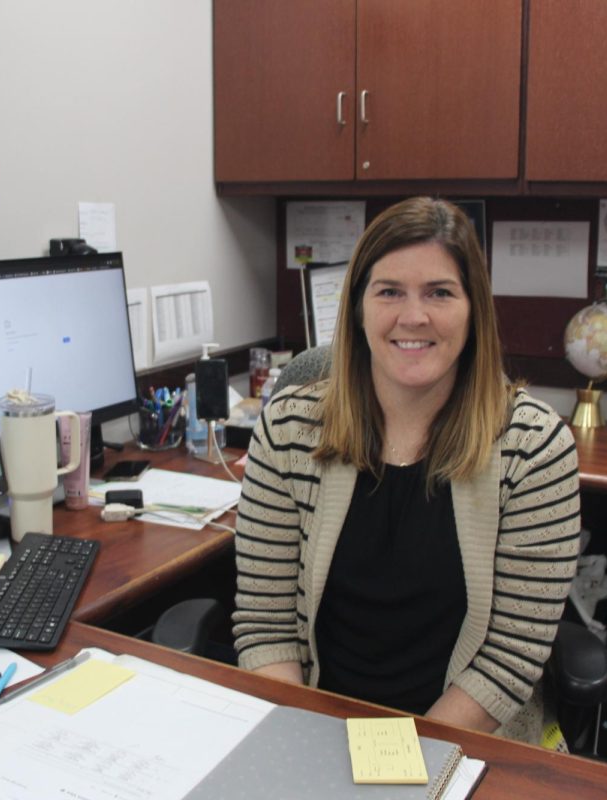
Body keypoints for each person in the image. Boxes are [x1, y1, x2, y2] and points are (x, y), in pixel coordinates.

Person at [232, 197, 580, 743]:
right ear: (358, 307)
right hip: (313, 730)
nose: (412, 317)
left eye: (439, 292)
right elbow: (265, 627)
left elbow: (510, 657)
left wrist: (397, 768)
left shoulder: (532, 447)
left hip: (463, 746)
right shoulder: (288, 429)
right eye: (389, 291)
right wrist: (303, 748)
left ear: (473, 311)